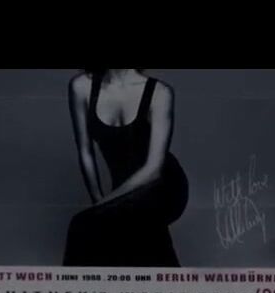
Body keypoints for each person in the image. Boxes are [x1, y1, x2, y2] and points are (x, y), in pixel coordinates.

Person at [64, 69, 189, 268]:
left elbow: (153, 169)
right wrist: (99, 202)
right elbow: (85, 151)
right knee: (124, 235)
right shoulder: (81, 87)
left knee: (82, 225)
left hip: (163, 186)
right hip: (124, 189)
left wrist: (102, 206)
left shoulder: (160, 92)